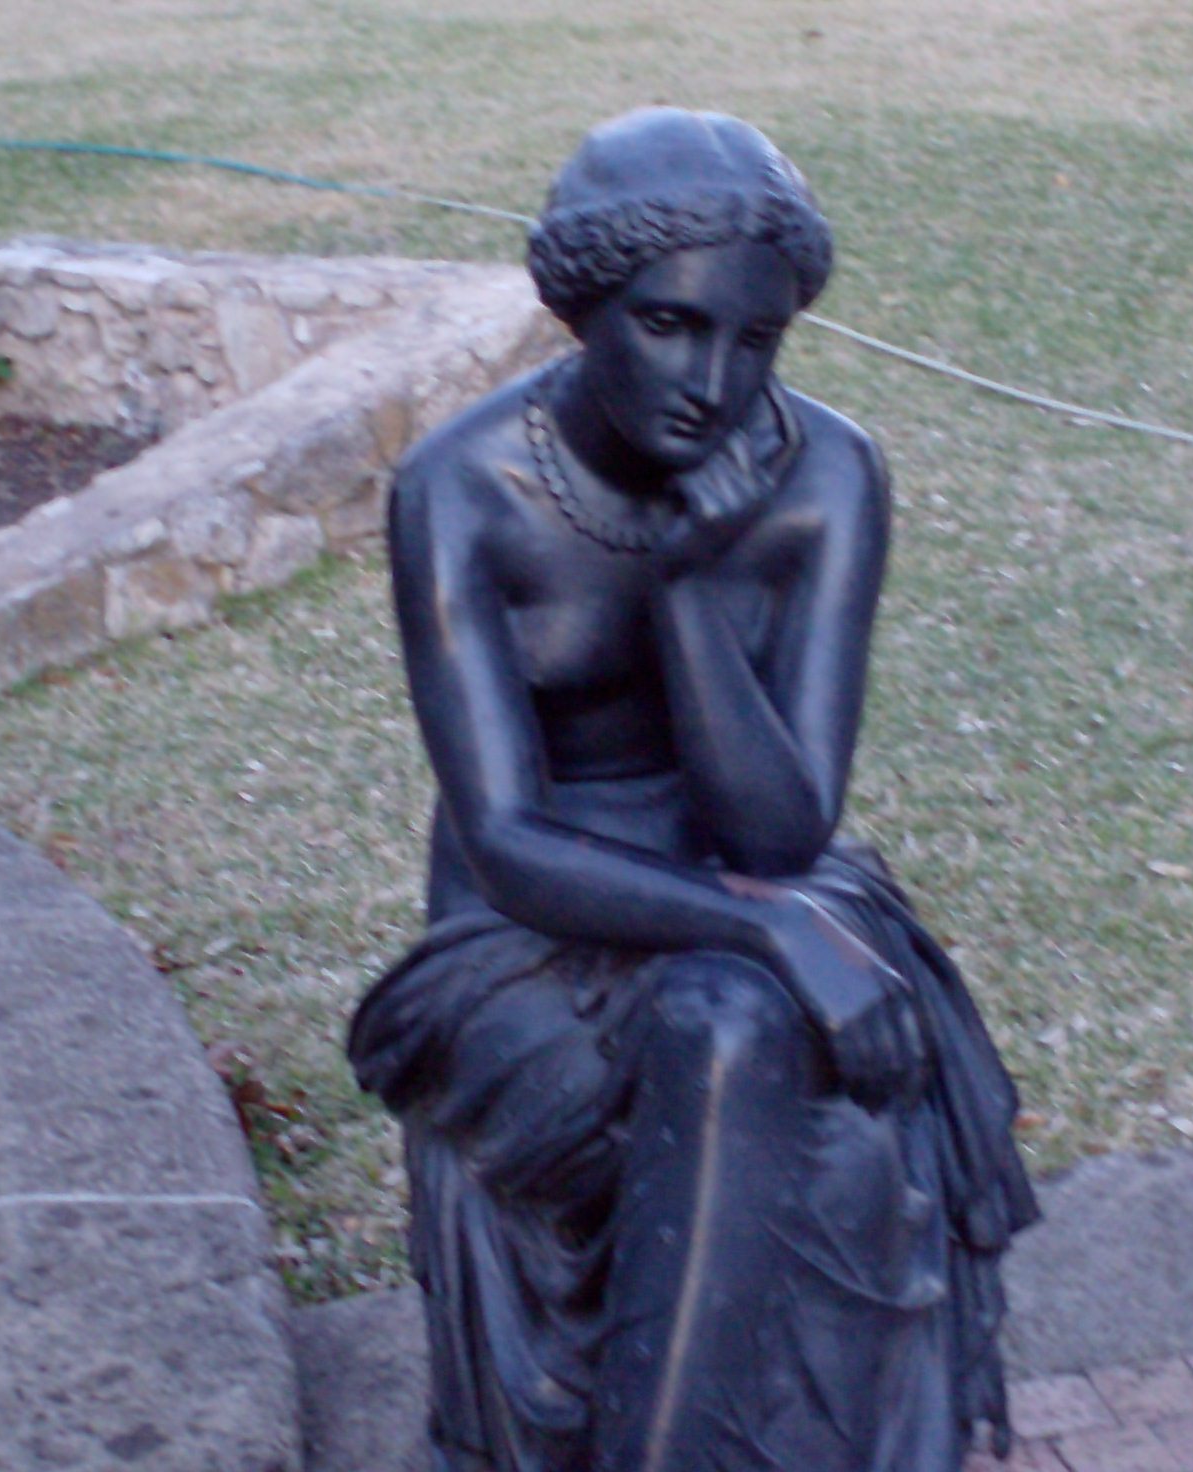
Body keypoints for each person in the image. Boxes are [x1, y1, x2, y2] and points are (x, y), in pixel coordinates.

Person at [348, 108, 1037, 1472]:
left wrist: (684, 588)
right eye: (668, 325)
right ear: (581, 307)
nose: (712, 382)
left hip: (752, 877)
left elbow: (781, 830)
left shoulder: (827, 474)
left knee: (737, 1038)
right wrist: (771, 932)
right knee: (734, 1020)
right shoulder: (461, 492)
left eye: (757, 340)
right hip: (524, 935)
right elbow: (504, 836)